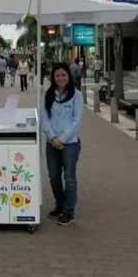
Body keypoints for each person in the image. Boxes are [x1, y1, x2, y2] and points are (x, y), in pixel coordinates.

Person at [42, 62, 84, 226]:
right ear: (53, 77)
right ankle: (60, 205)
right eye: (57, 75)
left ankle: (69, 211)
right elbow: (45, 119)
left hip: (70, 144)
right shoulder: (48, 94)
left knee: (69, 177)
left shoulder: (77, 95)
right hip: (51, 143)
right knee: (53, 177)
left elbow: (76, 120)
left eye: (64, 75)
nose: (61, 78)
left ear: (69, 76)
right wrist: (52, 138)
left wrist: (62, 139)